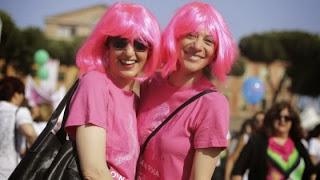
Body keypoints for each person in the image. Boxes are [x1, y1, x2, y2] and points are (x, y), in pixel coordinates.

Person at [136, 2, 237, 179]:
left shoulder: (213, 104)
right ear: (175, 37)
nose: (198, 46)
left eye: (208, 41)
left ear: (216, 52)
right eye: (191, 35)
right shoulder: (150, 84)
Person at [64, 2, 161, 180]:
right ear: (105, 47)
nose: (129, 53)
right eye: (120, 43)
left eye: (140, 45)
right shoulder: (95, 84)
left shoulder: (135, 100)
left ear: (150, 52)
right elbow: (93, 171)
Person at [231, 101, 315, 180]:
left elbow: (311, 172)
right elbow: (238, 171)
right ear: (271, 118)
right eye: (278, 116)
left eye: (287, 118)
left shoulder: (298, 144)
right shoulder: (257, 141)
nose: (282, 120)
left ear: (293, 121)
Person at [0, 77, 37, 179]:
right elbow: (29, 133)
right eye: (22, 94)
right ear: (16, 95)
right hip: (10, 171)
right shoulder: (18, 111)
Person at [225, 111, 264, 180]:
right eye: (257, 121)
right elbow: (232, 159)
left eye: (263, 120)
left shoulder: (270, 141)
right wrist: (227, 177)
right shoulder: (246, 138)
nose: (260, 123)